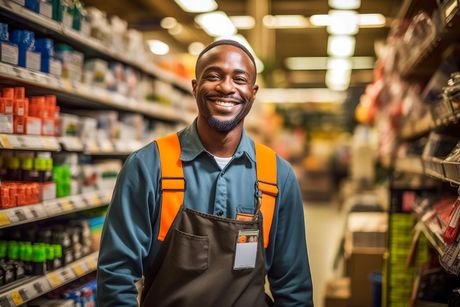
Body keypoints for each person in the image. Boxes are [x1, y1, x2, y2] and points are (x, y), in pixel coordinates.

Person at [96, 39, 313, 306]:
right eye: (213, 76)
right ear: (195, 86)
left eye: (239, 79)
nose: (226, 87)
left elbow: (294, 286)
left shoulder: (278, 177)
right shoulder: (148, 166)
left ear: (252, 92)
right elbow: (116, 275)